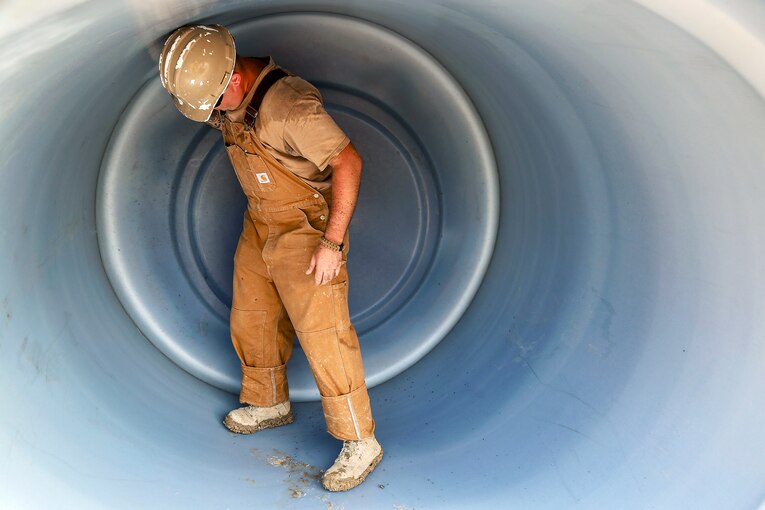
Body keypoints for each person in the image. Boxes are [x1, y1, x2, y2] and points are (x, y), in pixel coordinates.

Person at [158, 24, 382, 492]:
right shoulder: (228, 93)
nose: (212, 116)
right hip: (260, 217)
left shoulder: (290, 108)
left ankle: (360, 441)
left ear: (234, 81)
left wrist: (332, 244)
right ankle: (269, 402)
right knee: (252, 313)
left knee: (323, 331)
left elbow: (348, 162)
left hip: (304, 224)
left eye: (214, 105)